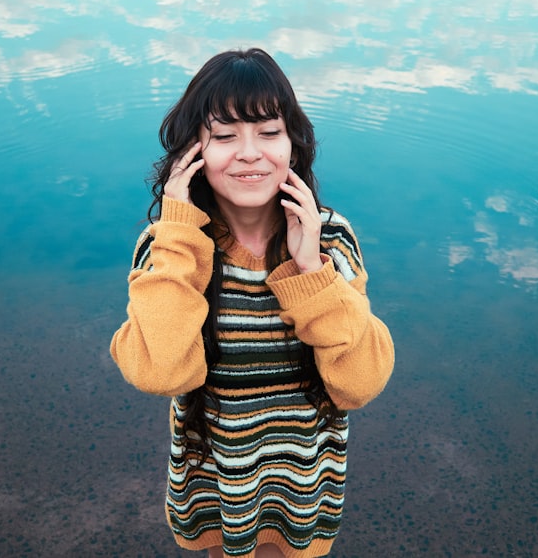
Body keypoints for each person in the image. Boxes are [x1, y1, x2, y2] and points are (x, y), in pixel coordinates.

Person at [110, 48, 394, 558]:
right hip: (217, 481)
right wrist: (179, 235)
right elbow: (161, 373)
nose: (249, 153)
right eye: (224, 136)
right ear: (191, 153)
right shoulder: (170, 247)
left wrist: (312, 275)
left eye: (268, 132)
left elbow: (360, 384)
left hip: (304, 482)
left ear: (293, 144)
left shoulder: (331, 239)